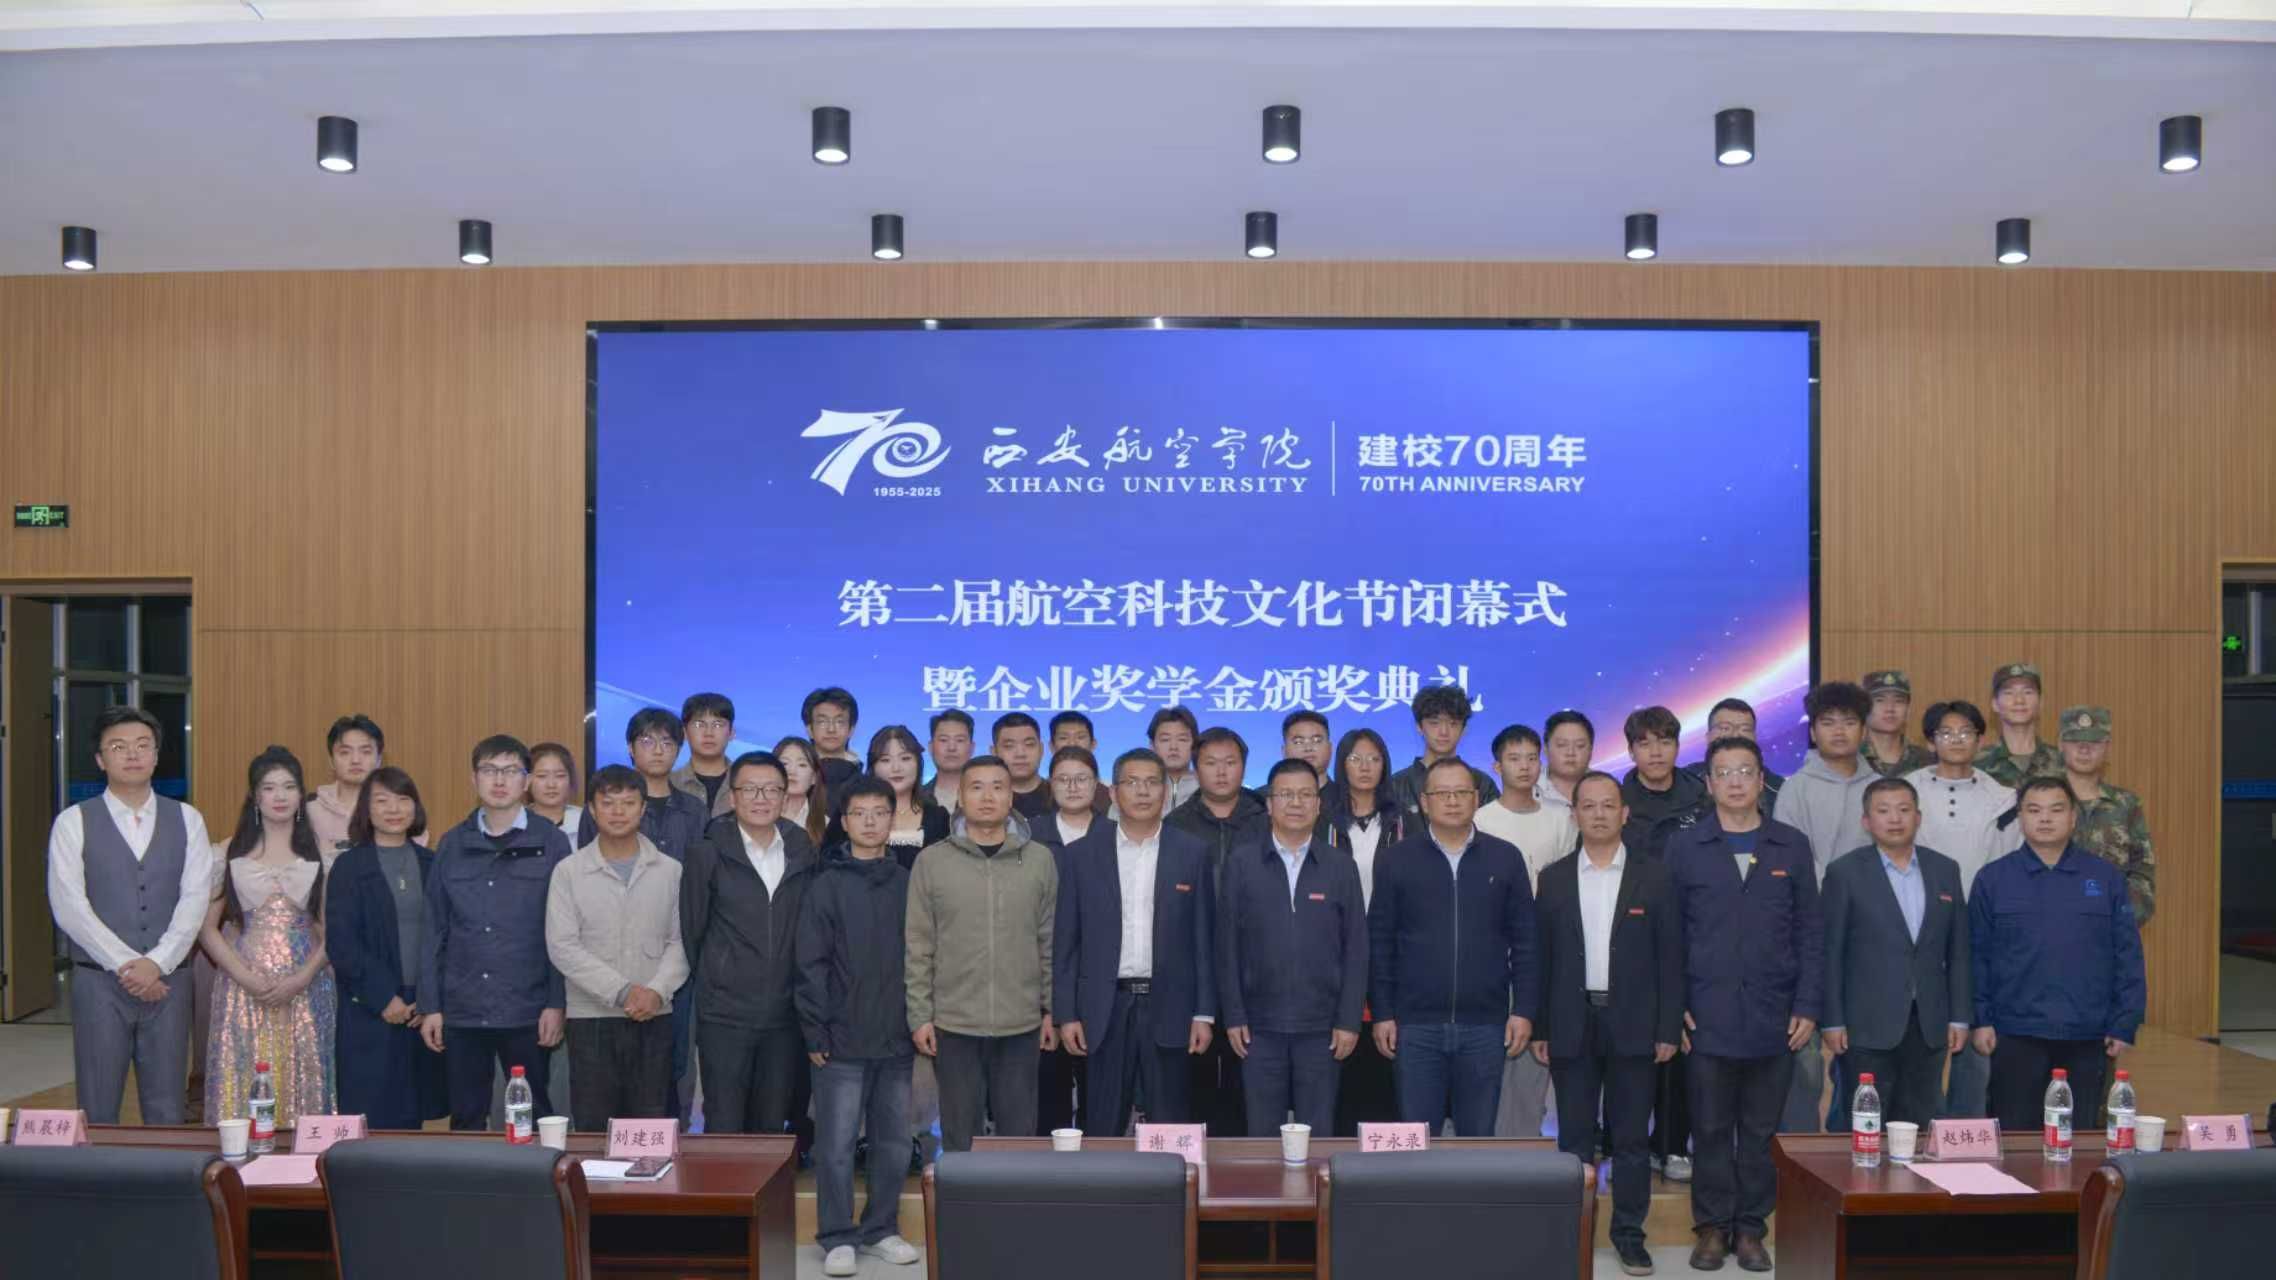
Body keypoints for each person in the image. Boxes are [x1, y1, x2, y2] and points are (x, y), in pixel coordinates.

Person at [1665, 736, 1821, 1274]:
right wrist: (1673, 1007)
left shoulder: (1791, 845)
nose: (1735, 782)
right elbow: (1668, 937)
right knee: (1709, 1129)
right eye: (1724, 772)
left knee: (1759, 1131)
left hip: (1774, 1015)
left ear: (1761, 781)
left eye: (1745, 771)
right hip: (1704, 1015)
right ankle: (1712, 1228)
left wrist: (1808, 1004)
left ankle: (1752, 1228)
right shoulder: (1685, 847)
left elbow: (1810, 933)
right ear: (1709, 784)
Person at [1533, 772, 1680, 1278]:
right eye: (1588, 805)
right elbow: (1541, 959)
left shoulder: (1654, 876)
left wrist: (1667, 1028)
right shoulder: (1553, 878)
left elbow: (1671, 959)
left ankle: (1629, 1236)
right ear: (1574, 814)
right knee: (1573, 1140)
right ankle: (1570, 1234)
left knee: (1632, 1139)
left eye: (1608, 805)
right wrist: (1540, 1027)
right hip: (1571, 1022)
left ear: (1624, 813)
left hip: (1635, 1023)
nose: (1598, 814)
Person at [48, 706, 214, 1125]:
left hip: (169, 983)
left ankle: (163, 1172)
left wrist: (157, 963)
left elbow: (194, 900)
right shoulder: (73, 822)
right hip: (99, 983)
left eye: (143, 745)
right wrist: (128, 965)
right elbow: (69, 906)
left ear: (156, 755)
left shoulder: (188, 820)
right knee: (97, 1104)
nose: (133, 754)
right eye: (118, 747)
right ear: (100, 759)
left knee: (167, 1107)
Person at [1369, 758, 1536, 1136]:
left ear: (1476, 798)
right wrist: (1383, 1013)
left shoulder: (1505, 857)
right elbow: (1380, 942)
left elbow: (1526, 941)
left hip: (1485, 1025)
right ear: (1424, 802)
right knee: (1416, 1140)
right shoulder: (1397, 859)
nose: (1452, 800)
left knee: (1477, 1141)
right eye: (1442, 793)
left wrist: (1524, 1010)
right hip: (1415, 1025)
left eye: (1461, 792)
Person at [1970, 776, 2145, 1136]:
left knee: (2076, 1136)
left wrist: (2124, 1022)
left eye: (2056, 810)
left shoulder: (2105, 878)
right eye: (2034, 810)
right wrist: (1980, 1019)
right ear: (2020, 818)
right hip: (2014, 1031)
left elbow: (2127, 953)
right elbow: (1976, 955)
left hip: (2086, 1031)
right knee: (2016, 1137)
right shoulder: (1993, 879)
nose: (2045, 819)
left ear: (2073, 817)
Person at [796, 777, 922, 1277]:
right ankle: (836, 1235)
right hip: (839, 1039)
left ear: (893, 819)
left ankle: (882, 1228)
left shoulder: (909, 881)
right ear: (843, 823)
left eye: (880, 812)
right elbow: (810, 963)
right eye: (859, 813)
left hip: (897, 1036)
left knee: (894, 1144)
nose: (870, 822)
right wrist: (814, 1028)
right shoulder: (825, 884)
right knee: (836, 1144)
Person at [1055, 748, 1216, 1134]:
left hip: (1172, 1005)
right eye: (1132, 782)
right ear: (1112, 793)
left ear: (1165, 791)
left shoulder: (1192, 852)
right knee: (1101, 1123)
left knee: (1171, 1124)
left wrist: (1204, 1014)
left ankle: (1173, 1176)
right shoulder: (1080, 855)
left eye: (1152, 782)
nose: (1143, 791)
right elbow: (1067, 942)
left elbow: (1204, 940)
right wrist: (1066, 1014)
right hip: (1104, 1007)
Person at [905, 756, 1059, 1152]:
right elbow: (919, 945)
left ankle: (1013, 1195)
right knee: (959, 1137)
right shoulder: (932, 861)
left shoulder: (1039, 860)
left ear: (1011, 797)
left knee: (1019, 1137)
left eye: (997, 787)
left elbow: (1048, 940)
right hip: (953, 1023)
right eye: (976, 787)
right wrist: (920, 1016)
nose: (987, 796)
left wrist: (1050, 1009)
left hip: (1021, 1023)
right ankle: (963, 1196)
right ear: (960, 796)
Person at [418, 735, 571, 1130]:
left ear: (526, 781)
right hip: (463, 1008)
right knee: (466, 1117)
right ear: (474, 779)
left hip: (528, 1007)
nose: (499, 780)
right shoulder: (453, 843)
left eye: (510, 771)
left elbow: (563, 933)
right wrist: (431, 1006)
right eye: (489, 770)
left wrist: (556, 1003)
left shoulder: (551, 842)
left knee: (534, 1115)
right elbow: (434, 930)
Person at [1219, 759, 1366, 1136]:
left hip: (1322, 1028)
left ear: (1319, 805)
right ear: (1269, 804)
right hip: (1257, 1027)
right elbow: (1226, 946)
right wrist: (1233, 1015)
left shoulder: (1340, 866)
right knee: (1261, 1135)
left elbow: (1356, 949)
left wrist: (1349, 1020)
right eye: (1286, 794)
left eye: (1305, 794)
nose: (1296, 803)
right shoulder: (1241, 863)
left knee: (1318, 1134)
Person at [1820, 778, 1969, 1129]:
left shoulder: (1945, 869)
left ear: (1918, 817)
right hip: (1865, 1025)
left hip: (1929, 1023)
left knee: (1920, 1125)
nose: (1895, 818)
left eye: (1904, 809)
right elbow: (1830, 953)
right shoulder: (1844, 873)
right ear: (1866, 821)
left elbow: (1959, 951)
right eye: (1883, 811)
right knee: (1863, 1125)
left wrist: (1960, 1017)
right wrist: (1832, 1019)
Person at [546, 765, 688, 1131]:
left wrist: (655, 992)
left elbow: (681, 942)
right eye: (608, 803)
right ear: (592, 810)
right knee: (594, 1127)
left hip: (655, 1015)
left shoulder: (671, 871)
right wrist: (623, 991)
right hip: (590, 1017)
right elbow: (562, 946)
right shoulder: (568, 871)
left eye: (628, 803)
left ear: (643, 809)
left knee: (649, 1128)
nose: (618, 811)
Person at [685, 751, 819, 1135]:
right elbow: (693, 930)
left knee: (771, 1124)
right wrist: (720, 975)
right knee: (724, 1122)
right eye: (750, 789)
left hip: (784, 1014)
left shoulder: (802, 850)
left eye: (771, 790)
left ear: (784, 797)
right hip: (724, 1015)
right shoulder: (707, 853)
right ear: (733, 797)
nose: (761, 799)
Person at [201, 746, 336, 1126]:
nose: (280, 796)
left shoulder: (322, 853)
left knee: (304, 1072)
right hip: (243, 985)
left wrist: (302, 978)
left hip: (306, 985)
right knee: (245, 1072)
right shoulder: (229, 851)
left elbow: (333, 931)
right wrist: (244, 977)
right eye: (269, 787)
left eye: (289, 787)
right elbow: (207, 929)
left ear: (300, 796)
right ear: (255, 796)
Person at [1903, 699, 2013, 1119]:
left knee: (1976, 1046)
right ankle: (1924, 1131)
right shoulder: (1906, 791)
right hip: (1921, 932)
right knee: (1925, 1044)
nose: (1956, 739)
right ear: (1930, 741)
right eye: (1945, 732)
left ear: (1981, 740)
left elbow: (2007, 864)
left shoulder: (2003, 798)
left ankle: (1966, 1134)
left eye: (1966, 732)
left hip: (1981, 933)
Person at [1774, 680, 1876, 1132]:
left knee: (1863, 1056)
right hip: (1808, 933)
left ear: (1864, 730)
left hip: (1867, 937)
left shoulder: (1882, 788)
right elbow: (1793, 863)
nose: (1838, 731)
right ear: (1813, 731)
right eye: (1828, 722)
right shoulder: (1795, 788)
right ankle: (1798, 1152)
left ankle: (1854, 1142)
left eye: (1849, 722)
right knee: (1806, 1061)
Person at [327, 766, 446, 1130]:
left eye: (403, 799)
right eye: (382, 801)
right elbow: (342, 943)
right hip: (370, 1006)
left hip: (423, 1009)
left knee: (419, 1116)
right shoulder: (349, 866)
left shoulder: (433, 863)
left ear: (416, 807)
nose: (394, 809)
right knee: (373, 1117)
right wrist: (383, 998)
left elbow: (447, 936)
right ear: (367, 809)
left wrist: (429, 1000)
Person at [1472, 723, 1575, 1139]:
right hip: (1492, 954)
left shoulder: (1561, 819)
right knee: (1489, 1059)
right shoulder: (1481, 819)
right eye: (1514, 758)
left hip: (1545, 952)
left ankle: (1524, 1144)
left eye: (1532, 758)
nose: (1525, 766)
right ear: (1496, 766)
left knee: (1534, 1057)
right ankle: (1482, 1148)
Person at [1167, 726, 1269, 1133]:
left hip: (1256, 969)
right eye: (1211, 763)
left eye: (1231, 762)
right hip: (1194, 970)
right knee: (1195, 1083)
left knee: (1251, 1087)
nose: (1222, 772)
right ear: (1196, 768)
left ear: (1245, 766)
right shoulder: (1175, 825)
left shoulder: (1267, 821)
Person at [1325, 726, 1403, 1135]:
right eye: (1356, 758)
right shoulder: (1323, 821)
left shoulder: (1404, 822)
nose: (1365, 766)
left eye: (1374, 758)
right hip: (1334, 950)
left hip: (1391, 949)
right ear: (1342, 764)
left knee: (1384, 1062)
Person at [2059, 706, 2157, 926]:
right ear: (2060, 744)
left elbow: (2143, 872)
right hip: (2050, 927)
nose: (2084, 750)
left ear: (2107, 747)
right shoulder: (2041, 801)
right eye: (2075, 741)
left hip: (2111, 930)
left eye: (2094, 742)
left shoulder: (2126, 804)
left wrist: (2121, 917)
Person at [581, 708, 709, 860]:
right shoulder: (603, 806)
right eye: (647, 742)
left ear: (678, 751)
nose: (658, 751)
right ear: (631, 748)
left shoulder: (695, 810)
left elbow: (702, 867)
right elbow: (586, 864)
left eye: (667, 743)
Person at [824, 725, 951, 866]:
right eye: (885, 760)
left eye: (905, 758)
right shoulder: (850, 810)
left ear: (918, 764)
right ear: (873, 767)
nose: (896, 768)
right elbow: (828, 860)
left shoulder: (938, 817)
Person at [1388, 684, 1499, 814]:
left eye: (1453, 723)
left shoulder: (1482, 784)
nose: (1444, 732)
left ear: (1464, 729)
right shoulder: (1397, 784)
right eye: (1434, 723)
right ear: (1419, 726)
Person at [1618, 706, 1706, 860]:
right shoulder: (1617, 805)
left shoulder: (1702, 795)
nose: (1656, 753)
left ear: (1677, 747)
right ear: (1631, 751)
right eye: (1645, 745)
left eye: (1665, 743)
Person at [306, 714, 385, 865]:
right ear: (331, 761)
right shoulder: (309, 813)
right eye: (345, 752)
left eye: (366, 752)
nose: (355, 760)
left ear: (379, 760)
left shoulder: (394, 811)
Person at [1683, 699, 1785, 816]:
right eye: (1725, 728)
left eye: (1744, 729)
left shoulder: (1779, 791)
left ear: (1755, 737)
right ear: (1708, 737)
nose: (1735, 736)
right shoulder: (1684, 782)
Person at [1976, 662, 2062, 787]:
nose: (2019, 700)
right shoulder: (1977, 764)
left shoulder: (2062, 763)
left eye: (2028, 692)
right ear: (1995, 704)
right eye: (2009, 693)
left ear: (2041, 703)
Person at [671, 692, 739, 819]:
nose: (709, 733)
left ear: (731, 733)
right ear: (684, 732)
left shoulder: (747, 783)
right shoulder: (669, 784)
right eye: (699, 724)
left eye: (718, 725)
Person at [1860, 672, 1933, 778]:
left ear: (1908, 709)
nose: (1890, 708)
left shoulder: (1927, 761)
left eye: (1899, 701)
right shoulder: (1851, 758)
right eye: (1879, 700)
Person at [991, 712, 1054, 825]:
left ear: (1041, 750)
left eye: (1029, 744)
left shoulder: (1061, 795)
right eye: (1009, 746)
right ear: (994, 752)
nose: (1020, 754)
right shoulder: (982, 799)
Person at [1035, 746, 1102, 850]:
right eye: (1063, 779)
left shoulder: (1115, 832)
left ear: (1095, 782)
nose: (1072, 788)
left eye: (1081, 779)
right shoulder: (1032, 832)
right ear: (1051, 783)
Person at [775, 736, 833, 848]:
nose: (791, 771)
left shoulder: (825, 824)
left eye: (802, 765)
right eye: (784, 764)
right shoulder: (756, 814)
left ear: (814, 778)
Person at [804, 687, 865, 792]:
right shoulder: (794, 777)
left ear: (851, 729)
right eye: (822, 722)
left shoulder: (864, 783)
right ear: (809, 730)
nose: (831, 729)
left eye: (839, 722)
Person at [1538, 709, 1595, 817]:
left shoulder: (1609, 789)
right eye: (1561, 745)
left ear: (1591, 750)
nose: (1570, 753)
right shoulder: (1527, 790)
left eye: (1580, 746)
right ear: (1545, 749)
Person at [526, 743, 584, 846]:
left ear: (570, 779)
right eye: (542, 776)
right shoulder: (515, 822)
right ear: (527, 780)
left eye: (560, 776)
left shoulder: (586, 821)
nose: (551, 784)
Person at [920, 710, 975, 818]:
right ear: (930, 747)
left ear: (972, 748)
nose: (951, 747)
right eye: (943, 740)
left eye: (959, 740)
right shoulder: (915, 799)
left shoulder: (986, 797)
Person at [1149, 707, 1202, 808]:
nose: (1173, 747)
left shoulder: (1208, 788)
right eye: (1165, 739)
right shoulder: (1138, 789)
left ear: (1194, 746)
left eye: (1182, 739)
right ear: (1152, 746)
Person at [1282, 711, 1334, 787]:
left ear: (1330, 748)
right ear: (1284, 751)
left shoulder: (1347, 794)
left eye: (1316, 740)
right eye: (1298, 742)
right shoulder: (1265, 794)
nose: (1308, 748)